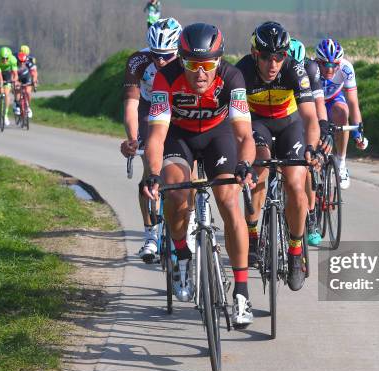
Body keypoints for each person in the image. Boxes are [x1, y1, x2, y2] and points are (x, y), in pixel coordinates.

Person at [143, 23, 257, 327]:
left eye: (207, 65)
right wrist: (152, 174)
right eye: (193, 65)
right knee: (176, 191)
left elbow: (245, 136)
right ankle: (182, 256)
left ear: (218, 61)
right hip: (179, 137)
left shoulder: (232, 77)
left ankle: (242, 295)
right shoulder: (165, 79)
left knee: (228, 199)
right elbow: (156, 136)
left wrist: (244, 165)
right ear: (181, 60)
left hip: (218, 136)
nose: (200, 73)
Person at [235, 21, 321, 291]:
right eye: (265, 57)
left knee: (296, 184)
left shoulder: (296, 70)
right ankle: (252, 233)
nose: (273, 64)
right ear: (254, 53)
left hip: (289, 125)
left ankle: (296, 251)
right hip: (257, 124)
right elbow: (234, 122)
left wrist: (311, 147)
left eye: (279, 57)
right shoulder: (242, 72)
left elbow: (310, 117)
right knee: (258, 164)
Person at [120, 17, 182, 263]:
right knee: (149, 168)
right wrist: (133, 138)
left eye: (167, 55)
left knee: (192, 167)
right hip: (150, 107)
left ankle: (189, 222)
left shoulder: (188, 60)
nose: (161, 60)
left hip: (180, 107)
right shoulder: (139, 61)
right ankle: (150, 234)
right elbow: (131, 107)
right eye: (157, 54)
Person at [288, 38, 332, 246]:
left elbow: (319, 103)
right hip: (285, 117)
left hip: (305, 116)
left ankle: (312, 215)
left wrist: (323, 128)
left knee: (307, 164)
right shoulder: (279, 69)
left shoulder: (311, 68)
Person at [315, 38, 367, 190]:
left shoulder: (346, 68)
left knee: (342, 112)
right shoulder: (310, 68)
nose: (330, 69)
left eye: (335, 65)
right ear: (318, 61)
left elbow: (353, 103)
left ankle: (341, 162)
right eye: (325, 64)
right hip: (313, 101)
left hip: (333, 100)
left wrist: (358, 132)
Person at [0, 47, 18, 126]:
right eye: (3, 58)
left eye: (6, 58)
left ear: (9, 57)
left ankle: (5, 114)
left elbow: (15, 74)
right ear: (0, 57)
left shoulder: (13, 60)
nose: (5, 60)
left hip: (7, 73)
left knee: (6, 93)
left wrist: (14, 81)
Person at [14, 52, 37, 119]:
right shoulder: (14, 64)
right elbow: (12, 75)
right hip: (17, 77)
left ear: (26, 60)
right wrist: (15, 82)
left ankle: (28, 106)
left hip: (26, 77)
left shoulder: (29, 63)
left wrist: (34, 81)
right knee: (17, 89)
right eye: (20, 62)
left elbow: (34, 73)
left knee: (28, 92)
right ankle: (17, 105)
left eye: (23, 62)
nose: (22, 63)